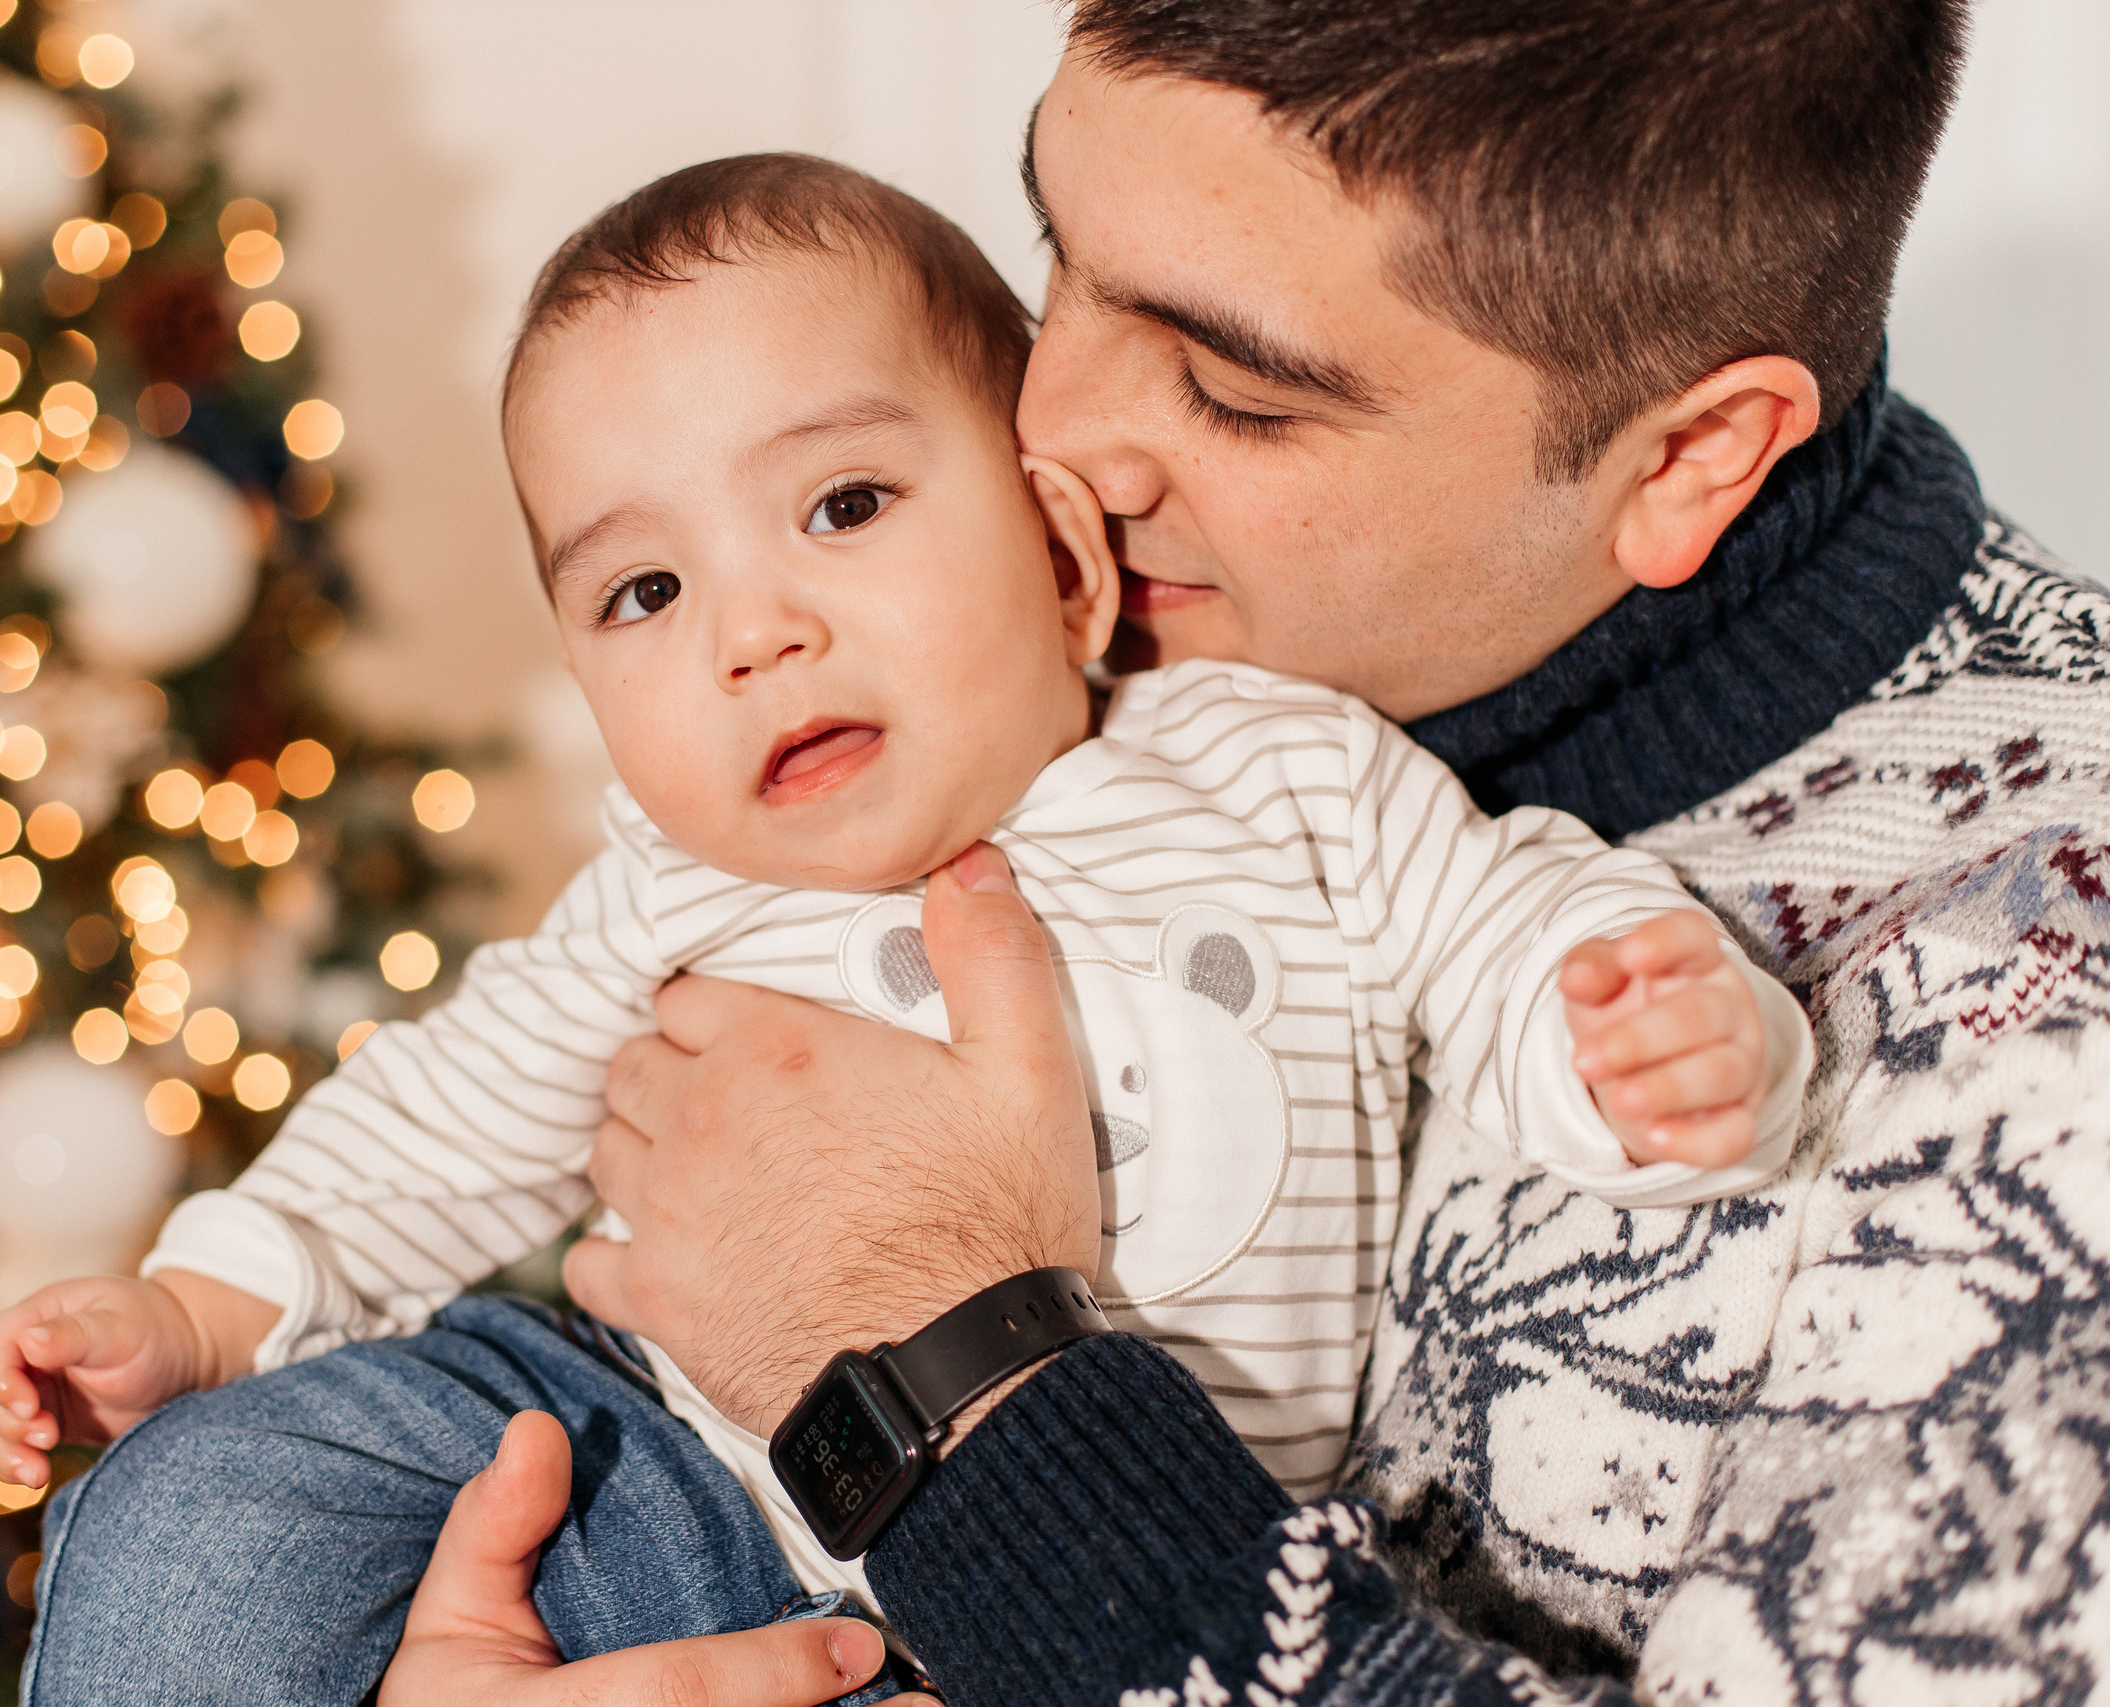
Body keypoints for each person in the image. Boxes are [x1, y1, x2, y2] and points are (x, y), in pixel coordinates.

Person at [0, 155, 1810, 1703]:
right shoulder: (669, 889)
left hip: (1086, 1555)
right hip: (640, 1466)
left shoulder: (1279, 773)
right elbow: (437, 1131)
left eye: (843, 504)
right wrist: (207, 1307)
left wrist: (1637, 1039)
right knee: (195, 1511)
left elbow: (1501, 932)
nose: (748, 632)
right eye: (642, 589)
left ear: (1064, 549)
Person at [539, 2, 2110, 1703]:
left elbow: (842, 1275)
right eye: (1055, 242)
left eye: (1232, 389)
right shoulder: (1121, 632)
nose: (1044, 434)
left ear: (1688, 455)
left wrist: (961, 1390)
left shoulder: (2043, 1019)